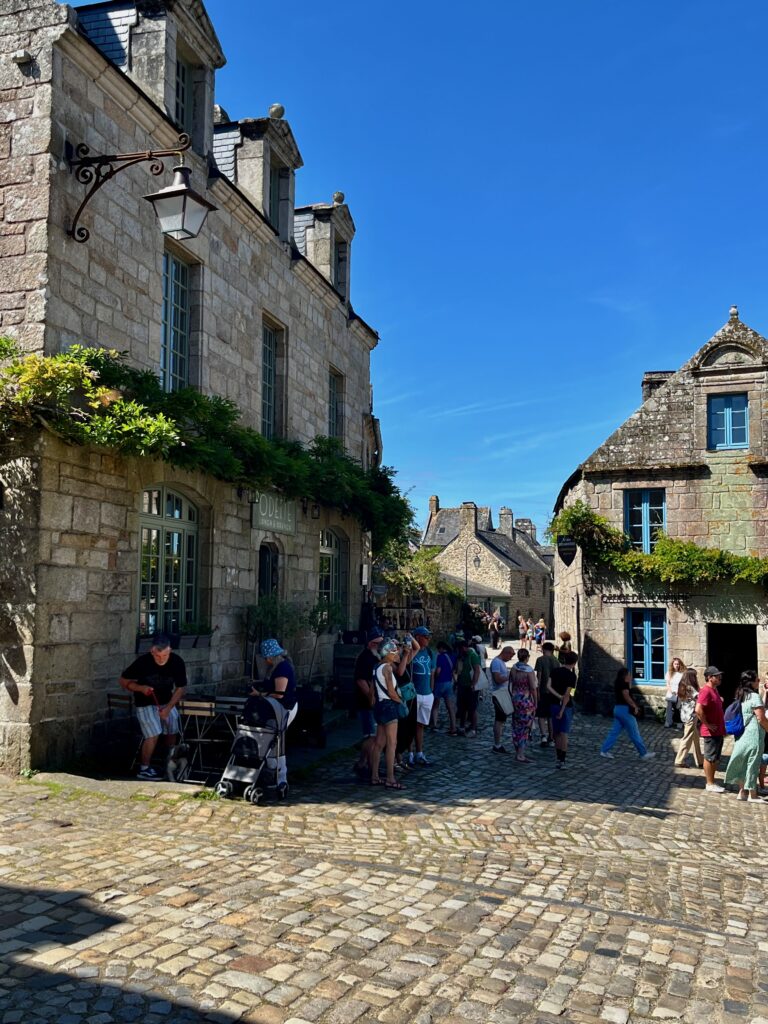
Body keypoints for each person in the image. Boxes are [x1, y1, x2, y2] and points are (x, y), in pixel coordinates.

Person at [119, 633, 187, 780]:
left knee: (173, 728)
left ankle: (168, 763)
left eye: (165, 655)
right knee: (153, 732)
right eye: (157, 656)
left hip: (167, 702)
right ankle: (144, 769)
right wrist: (141, 688)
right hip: (145, 703)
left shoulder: (177, 662)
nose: (161, 659)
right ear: (152, 651)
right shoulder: (142, 662)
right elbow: (123, 681)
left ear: (170, 650)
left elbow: (181, 688)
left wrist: (168, 709)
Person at [251, 639, 298, 787]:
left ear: (271, 657)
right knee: (270, 739)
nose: (266, 661)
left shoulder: (282, 668)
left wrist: (259, 694)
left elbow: (279, 694)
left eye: (266, 658)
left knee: (275, 739)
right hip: (275, 708)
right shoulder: (276, 667)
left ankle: (280, 776)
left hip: (284, 708)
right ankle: (272, 772)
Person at [725, 670, 768, 801]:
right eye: (757, 680)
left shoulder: (741, 694)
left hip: (742, 733)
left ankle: (742, 792)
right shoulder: (754, 696)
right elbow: (761, 718)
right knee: (753, 763)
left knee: (743, 762)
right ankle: (752, 795)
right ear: (752, 682)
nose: (759, 682)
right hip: (754, 734)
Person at [370, 639, 407, 790]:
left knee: (379, 743)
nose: (396, 653)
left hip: (379, 706)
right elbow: (391, 692)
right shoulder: (387, 668)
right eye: (393, 651)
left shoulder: (376, 667)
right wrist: (401, 702)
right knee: (392, 744)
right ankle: (390, 778)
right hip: (389, 706)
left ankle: (374, 776)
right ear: (386, 653)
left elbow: (372, 692)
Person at [599, 667, 656, 760]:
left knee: (614, 732)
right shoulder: (623, 685)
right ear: (625, 676)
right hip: (625, 710)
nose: (631, 676)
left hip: (617, 709)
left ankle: (604, 750)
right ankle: (643, 753)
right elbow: (627, 697)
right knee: (634, 732)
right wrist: (635, 706)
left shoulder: (618, 683)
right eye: (629, 674)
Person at [352, 627, 384, 778]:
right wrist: (372, 698)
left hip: (374, 701)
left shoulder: (376, 656)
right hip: (366, 703)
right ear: (371, 643)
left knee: (372, 735)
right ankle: (370, 768)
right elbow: (361, 680)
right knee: (371, 736)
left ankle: (362, 764)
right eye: (378, 643)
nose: (380, 646)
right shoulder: (365, 658)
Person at [696, 665, 726, 794]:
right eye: (717, 676)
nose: (720, 678)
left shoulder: (714, 690)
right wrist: (707, 724)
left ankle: (712, 781)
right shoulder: (706, 691)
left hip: (718, 730)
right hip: (710, 731)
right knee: (709, 757)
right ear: (709, 677)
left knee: (715, 758)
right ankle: (709, 783)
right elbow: (698, 710)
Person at [547, 650, 578, 769]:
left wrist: (557, 695)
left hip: (553, 704)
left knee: (556, 732)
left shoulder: (554, 671)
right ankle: (562, 760)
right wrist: (562, 709)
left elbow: (548, 686)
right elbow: (568, 694)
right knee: (564, 733)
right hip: (566, 706)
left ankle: (558, 757)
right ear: (574, 663)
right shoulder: (572, 676)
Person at [409, 626, 436, 766]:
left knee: (420, 725)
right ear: (418, 637)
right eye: (426, 636)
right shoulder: (411, 652)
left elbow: (432, 674)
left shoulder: (430, 653)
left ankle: (419, 752)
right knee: (409, 725)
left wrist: (431, 691)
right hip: (414, 694)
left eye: (429, 636)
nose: (428, 639)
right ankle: (409, 753)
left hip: (427, 693)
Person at [509, 648, 538, 762]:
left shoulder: (514, 668)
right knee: (525, 727)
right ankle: (520, 755)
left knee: (516, 725)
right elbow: (533, 688)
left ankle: (518, 751)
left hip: (515, 698)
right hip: (525, 700)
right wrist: (535, 702)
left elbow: (511, 684)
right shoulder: (528, 670)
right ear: (527, 657)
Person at [674, 668, 702, 769]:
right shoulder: (690, 687)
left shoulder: (682, 686)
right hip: (691, 716)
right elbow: (699, 697)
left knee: (696, 739)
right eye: (695, 675)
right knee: (687, 737)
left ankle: (700, 760)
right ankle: (679, 760)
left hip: (685, 715)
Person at [489, 645, 514, 753]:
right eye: (510, 656)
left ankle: (498, 743)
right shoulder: (496, 662)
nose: (510, 659)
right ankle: (497, 744)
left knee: (501, 720)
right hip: (499, 694)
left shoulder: (501, 662)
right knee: (499, 720)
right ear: (506, 653)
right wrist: (509, 677)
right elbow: (498, 679)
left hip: (503, 693)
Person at [455, 637, 481, 736]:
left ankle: (473, 729)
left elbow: (477, 670)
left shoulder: (473, 655)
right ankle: (462, 727)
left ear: (463, 648)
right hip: (462, 684)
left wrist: (473, 684)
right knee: (462, 707)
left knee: (472, 708)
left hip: (470, 686)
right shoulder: (462, 656)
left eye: (460, 649)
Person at [534, 641, 558, 747]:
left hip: (543, 690)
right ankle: (551, 738)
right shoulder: (556, 661)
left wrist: (537, 690)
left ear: (543, 649)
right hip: (554, 691)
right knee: (550, 716)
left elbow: (539, 676)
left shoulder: (540, 660)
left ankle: (543, 736)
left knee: (541, 715)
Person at [431, 640, 458, 734]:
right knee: (450, 707)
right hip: (449, 683)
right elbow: (454, 671)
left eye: (438, 649)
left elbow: (438, 670)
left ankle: (434, 725)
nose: (438, 651)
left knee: (436, 705)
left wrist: (434, 678)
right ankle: (453, 727)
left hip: (440, 683)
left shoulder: (440, 657)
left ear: (441, 648)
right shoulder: (452, 656)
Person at [664, 656, 686, 728]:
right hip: (671, 693)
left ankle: (679, 722)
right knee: (669, 708)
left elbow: (684, 684)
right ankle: (668, 722)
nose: (677, 665)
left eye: (678, 664)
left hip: (679, 693)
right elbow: (667, 684)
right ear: (672, 665)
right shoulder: (669, 673)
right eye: (675, 664)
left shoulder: (682, 673)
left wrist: (679, 691)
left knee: (679, 708)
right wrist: (671, 691)